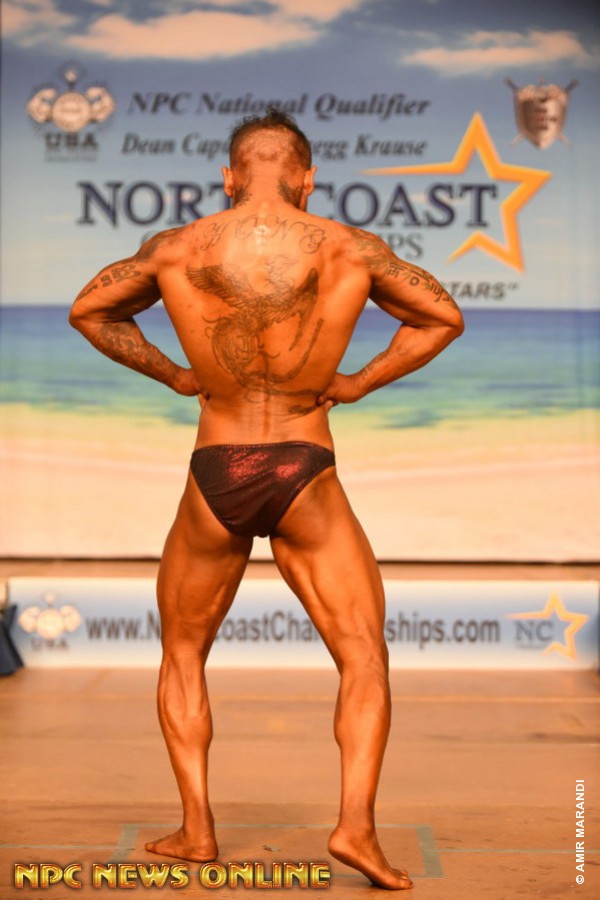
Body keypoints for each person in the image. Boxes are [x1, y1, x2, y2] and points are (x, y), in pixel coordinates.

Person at [69, 108, 464, 891]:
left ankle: (197, 831)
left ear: (229, 176)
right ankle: (355, 828)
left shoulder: (176, 248)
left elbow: (89, 309)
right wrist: (357, 382)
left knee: (183, 653)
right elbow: (441, 317)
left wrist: (175, 374)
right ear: (307, 178)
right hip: (304, 466)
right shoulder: (351, 248)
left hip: (214, 467)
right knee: (363, 657)